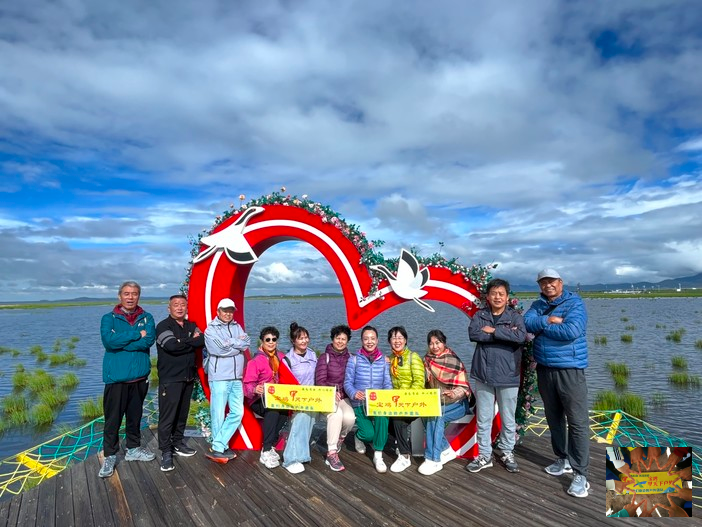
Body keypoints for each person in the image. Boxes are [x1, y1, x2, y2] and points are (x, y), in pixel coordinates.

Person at [524, 269, 590, 498]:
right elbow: (526, 323)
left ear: (560, 282)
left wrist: (542, 327)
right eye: (543, 282)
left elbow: (572, 330)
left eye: (551, 281)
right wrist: (549, 320)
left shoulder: (575, 303)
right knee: (553, 418)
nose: (548, 285)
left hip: (570, 369)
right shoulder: (538, 305)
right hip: (544, 369)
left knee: (577, 422)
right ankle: (563, 458)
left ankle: (580, 474)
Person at [466, 278, 526, 474]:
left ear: (507, 297)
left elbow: (520, 337)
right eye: (494, 293)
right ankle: (484, 455)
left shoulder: (515, 317)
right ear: (488, 297)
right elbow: (474, 334)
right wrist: (505, 333)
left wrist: (493, 331)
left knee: (508, 418)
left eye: (501, 294)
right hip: (483, 374)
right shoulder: (480, 315)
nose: (497, 297)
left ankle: (507, 452)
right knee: (483, 418)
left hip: (508, 375)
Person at [98, 281, 156, 478]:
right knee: (112, 420)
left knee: (135, 417)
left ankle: (133, 449)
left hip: (139, 378)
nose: (130, 297)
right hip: (116, 379)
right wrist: (136, 334)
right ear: (119, 296)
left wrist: (122, 341)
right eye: (126, 293)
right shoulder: (109, 318)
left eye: (134, 293)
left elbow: (148, 341)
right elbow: (109, 342)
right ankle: (110, 456)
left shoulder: (147, 317)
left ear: (139, 296)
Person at [155, 294, 205, 472]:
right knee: (167, 417)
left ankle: (177, 443)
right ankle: (165, 451)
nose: (179, 307)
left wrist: (183, 341)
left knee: (182, 414)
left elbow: (202, 340)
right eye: (175, 305)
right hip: (170, 379)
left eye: (183, 304)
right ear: (169, 308)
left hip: (188, 377)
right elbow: (171, 346)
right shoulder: (163, 326)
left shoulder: (191, 325)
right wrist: (191, 341)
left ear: (186, 307)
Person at [418, 329, 472, 476]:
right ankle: (446, 449)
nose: (435, 346)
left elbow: (464, 388)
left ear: (444, 343)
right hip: (438, 402)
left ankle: (433, 459)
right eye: (431, 343)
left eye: (438, 343)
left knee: (437, 415)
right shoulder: (426, 360)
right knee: (427, 414)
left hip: (458, 404)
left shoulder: (453, 360)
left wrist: (454, 393)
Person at [203, 298, 250, 463]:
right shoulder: (211, 330)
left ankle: (218, 444)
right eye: (225, 310)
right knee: (218, 413)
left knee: (237, 412)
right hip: (219, 377)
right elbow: (219, 350)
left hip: (237, 377)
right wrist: (237, 344)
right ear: (218, 311)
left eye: (231, 310)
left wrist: (230, 342)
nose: (228, 313)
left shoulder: (237, 326)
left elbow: (246, 343)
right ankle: (219, 448)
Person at [344, 325, 393, 473]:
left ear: (377, 340)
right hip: (360, 403)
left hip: (378, 403)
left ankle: (378, 455)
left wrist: (386, 396)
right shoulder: (354, 360)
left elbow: (387, 383)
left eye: (372, 338)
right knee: (368, 434)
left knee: (383, 419)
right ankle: (359, 437)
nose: (369, 342)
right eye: (366, 339)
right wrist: (354, 393)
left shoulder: (383, 361)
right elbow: (347, 383)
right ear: (362, 341)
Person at [243, 326, 289, 469]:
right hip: (258, 399)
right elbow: (247, 385)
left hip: (276, 397)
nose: (271, 342)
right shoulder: (255, 361)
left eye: (273, 339)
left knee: (284, 411)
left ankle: (272, 443)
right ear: (262, 341)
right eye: (267, 339)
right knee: (273, 410)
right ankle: (266, 449)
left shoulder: (281, 357)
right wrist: (255, 389)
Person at [315, 324, 355, 472]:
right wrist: (331, 392)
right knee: (336, 415)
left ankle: (339, 439)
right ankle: (331, 453)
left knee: (350, 418)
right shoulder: (324, 357)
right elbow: (320, 381)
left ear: (347, 341)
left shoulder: (351, 358)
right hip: (327, 396)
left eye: (343, 339)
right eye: (338, 338)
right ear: (332, 339)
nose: (340, 341)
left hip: (344, 396)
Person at [281, 322, 318, 474]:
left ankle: (302, 455)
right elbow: (285, 383)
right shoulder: (287, 360)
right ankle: (290, 459)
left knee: (309, 423)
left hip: (313, 397)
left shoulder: (312, 354)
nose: (304, 341)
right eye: (300, 338)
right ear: (293, 341)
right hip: (296, 399)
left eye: (306, 337)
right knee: (300, 421)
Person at [386, 326, 424, 473]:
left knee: (398, 419)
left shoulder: (413, 357)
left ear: (406, 340)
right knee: (382, 418)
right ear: (389, 341)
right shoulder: (390, 359)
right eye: (393, 338)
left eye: (400, 338)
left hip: (413, 401)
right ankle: (402, 441)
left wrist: (406, 399)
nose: (397, 341)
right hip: (396, 402)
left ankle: (404, 456)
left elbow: (419, 382)